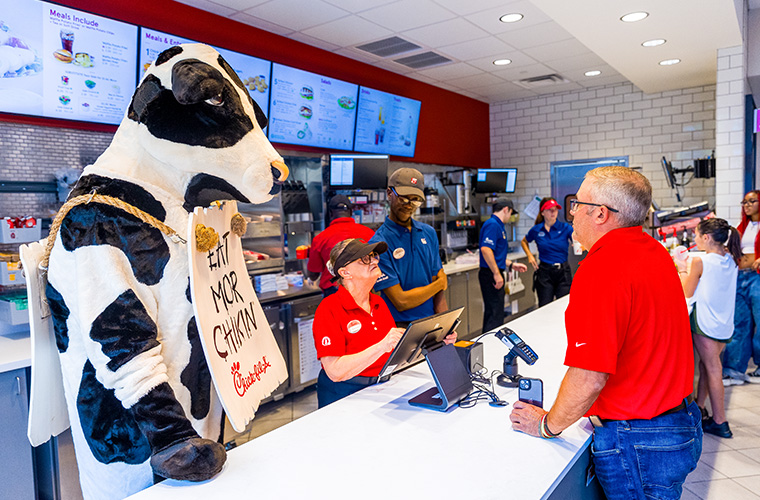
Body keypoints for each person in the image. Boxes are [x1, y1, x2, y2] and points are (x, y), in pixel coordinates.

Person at [509, 166, 701, 499]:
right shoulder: (654, 251)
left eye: (576, 204)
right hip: (680, 421)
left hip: (640, 439)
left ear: (599, 213)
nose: (571, 214)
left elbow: (589, 376)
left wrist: (547, 425)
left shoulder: (601, 268)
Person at [311, 238, 404, 407]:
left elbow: (394, 351)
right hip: (343, 395)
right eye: (365, 259)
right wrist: (382, 346)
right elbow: (334, 371)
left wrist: (437, 339)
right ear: (345, 273)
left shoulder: (378, 303)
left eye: (374, 256)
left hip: (380, 388)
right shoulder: (329, 308)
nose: (374, 260)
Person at [677, 218, 740, 438]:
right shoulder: (731, 259)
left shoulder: (699, 262)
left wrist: (682, 267)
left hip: (705, 324)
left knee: (713, 369)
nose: (694, 238)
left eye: (695, 234)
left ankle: (720, 422)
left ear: (706, 237)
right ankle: (700, 408)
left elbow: (687, 292)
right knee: (708, 367)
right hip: (723, 324)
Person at [370, 168, 449, 326]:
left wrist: (446, 324)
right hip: (399, 327)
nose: (409, 205)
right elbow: (401, 301)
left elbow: (439, 293)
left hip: (432, 321)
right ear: (389, 193)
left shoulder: (428, 233)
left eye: (415, 200)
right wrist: (439, 284)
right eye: (404, 198)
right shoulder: (378, 243)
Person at [722, 190, 760, 386]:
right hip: (740, 277)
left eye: (752, 201)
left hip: (757, 278)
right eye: (744, 202)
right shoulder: (742, 227)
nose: (747, 205)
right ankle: (734, 370)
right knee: (739, 323)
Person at [306, 194, 375, 297]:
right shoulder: (369, 233)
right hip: (365, 290)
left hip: (334, 292)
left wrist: (310, 254)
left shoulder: (320, 239)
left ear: (330, 213)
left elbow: (313, 275)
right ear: (351, 212)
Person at [479, 198, 527, 333]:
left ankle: (492, 344)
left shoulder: (498, 225)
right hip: (490, 274)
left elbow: (495, 255)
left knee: (496, 312)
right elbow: (486, 250)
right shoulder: (493, 225)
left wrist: (511, 265)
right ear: (506, 209)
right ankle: (489, 346)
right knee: (494, 314)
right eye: (510, 213)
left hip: (493, 271)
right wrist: (496, 273)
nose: (510, 216)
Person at [521, 197, 574, 307]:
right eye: (550, 209)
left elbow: (579, 240)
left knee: (563, 306)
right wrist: (530, 255)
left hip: (563, 272)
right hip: (545, 273)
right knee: (545, 306)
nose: (553, 212)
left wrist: (578, 244)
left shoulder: (565, 228)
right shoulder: (537, 229)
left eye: (555, 209)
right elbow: (524, 242)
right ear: (543, 212)